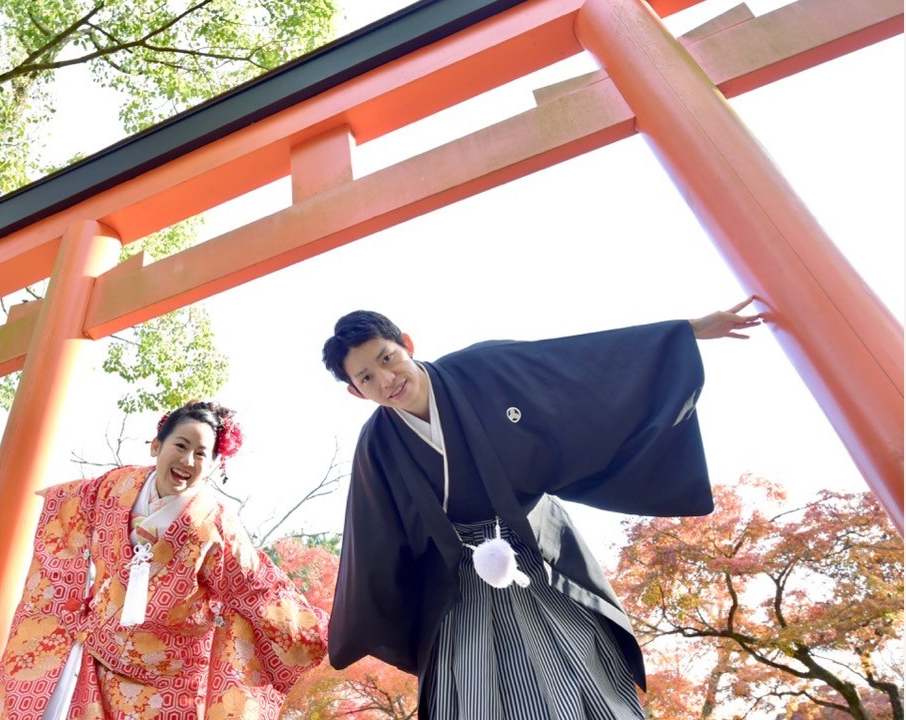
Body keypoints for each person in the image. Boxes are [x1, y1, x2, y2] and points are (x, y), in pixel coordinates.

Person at [321, 300, 761, 719]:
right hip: (459, 585)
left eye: (387, 359)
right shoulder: (377, 446)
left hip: (538, 553)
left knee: (581, 672)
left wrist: (684, 334)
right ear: (355, 393)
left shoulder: (482, 369)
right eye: (366, 379)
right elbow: (373, 541)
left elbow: (574, 363)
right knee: (474, 693)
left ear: (407, 344)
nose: (386, 380)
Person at [0, 401, 330, 720]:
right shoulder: (117, 486)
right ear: (156, 446)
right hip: (103, 651)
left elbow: (256, 587)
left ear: (211, 466)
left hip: (170, 676)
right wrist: (55, 496)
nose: (188, 461)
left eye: (201, 454)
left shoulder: (216, 524)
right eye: (181, 445)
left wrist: (316, 632)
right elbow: (78, 497)